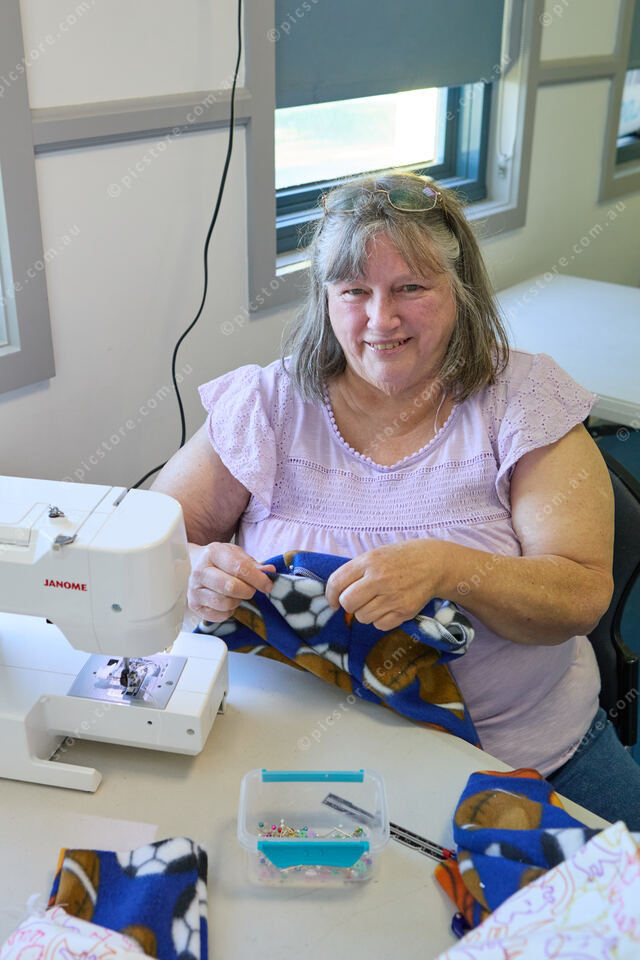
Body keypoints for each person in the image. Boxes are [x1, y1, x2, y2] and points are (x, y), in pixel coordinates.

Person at [152, 171, 640, 827]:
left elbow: (579, 596)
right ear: (325, 299)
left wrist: (450, 568)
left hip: (526, 757)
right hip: (295, 758)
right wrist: (196, 572)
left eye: (411, 288)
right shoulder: (265, 405)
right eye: (354, 291)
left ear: (460, 291)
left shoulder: (524, 400)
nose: (381, 319)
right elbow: (150, 543)